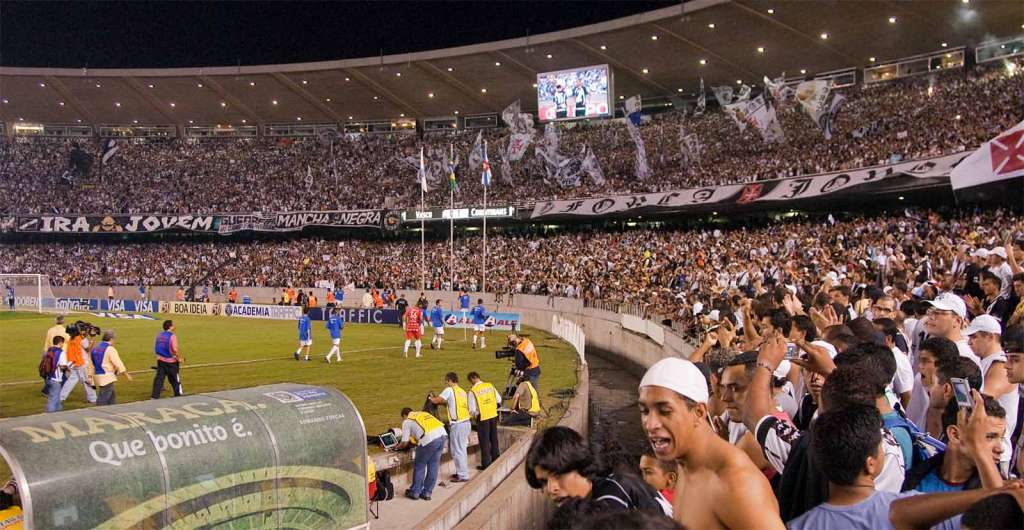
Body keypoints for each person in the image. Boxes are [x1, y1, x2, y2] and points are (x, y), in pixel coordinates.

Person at [638, 357, 782, 529]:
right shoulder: (685, 465)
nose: (651, 424)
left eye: (665, 411)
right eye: (645, 411)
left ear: (699, 412)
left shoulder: (735, 481)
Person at [525, 426, 671, 517]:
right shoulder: (604, 485)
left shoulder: (610, 501)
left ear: (580, 466)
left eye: (558, 475)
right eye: (543, 482)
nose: (551, 489)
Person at [965, 314, 1018, 467]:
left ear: (990, 337)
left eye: (974, 337)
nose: (969, 342)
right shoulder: (987, 361)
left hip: (996, 451)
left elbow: (983, 400)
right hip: (983, 446)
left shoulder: (1001, 365)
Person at [394, 407, 448, 501]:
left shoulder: (407, 421)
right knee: (433, 466)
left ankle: (415, 492)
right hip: (443, 436)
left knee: (419, 465)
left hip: (429, 439)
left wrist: (396, 447)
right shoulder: (423, 414)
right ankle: (427, 493)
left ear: (404, 416)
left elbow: (405, 442)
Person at [429, 372, 471, 482]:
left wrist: (431, 399)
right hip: (466, 423)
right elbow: (450, 403)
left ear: (449, 380)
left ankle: (463, 475)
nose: (445, 383)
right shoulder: (461, 391)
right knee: (462, 450)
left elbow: (438, 400)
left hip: (458, 425)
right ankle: (463, 472)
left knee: (458, 451)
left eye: (446, 381)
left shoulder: (449, 390)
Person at [468, 371, 501, 469]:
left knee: (484, 441)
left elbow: (472, 410)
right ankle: (496, 458)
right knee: (494, 438)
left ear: (472, 379)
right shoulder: (490, 385)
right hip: (493, 415)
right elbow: (499, 400)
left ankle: (486, 464)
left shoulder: (472, 391)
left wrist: (473, 417)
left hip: (482, 417)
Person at [89, 329, 132, 406]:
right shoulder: (110, 349)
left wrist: (90, 375)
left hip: (98, 375)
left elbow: (91, 363)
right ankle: (100, 412)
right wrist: (126, 374)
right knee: (103, 397)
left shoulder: (95, 347)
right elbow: (118, 363)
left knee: (111, 396)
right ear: (111, 339)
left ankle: (113, 409)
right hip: (107, 376)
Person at [58, 324, 97, 404]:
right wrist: (92, 338)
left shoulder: (71, 339)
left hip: (73, 363)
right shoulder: (81, 339)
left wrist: (86, 333)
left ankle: (61, 397)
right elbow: (88, 349)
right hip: (81, 363)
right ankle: (92, 399)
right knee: (88, 381)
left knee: (71, 381)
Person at [151, 320, 183, 399]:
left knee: (159, 379)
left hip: (161, 360)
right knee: (175, 379)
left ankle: (154, 396)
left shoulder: (159, 335)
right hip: (171, 362)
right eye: (173, 325)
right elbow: (174, 349)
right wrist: (179, 358)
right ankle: (178, 395)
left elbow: (156, 347)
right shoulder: (172, 336)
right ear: (170, 327)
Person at [43, 336, 68, 412]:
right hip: (56, 379)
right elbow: (62, 366)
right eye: (62, 343)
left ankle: (59, 413)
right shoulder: (61, 352)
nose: (63, 344)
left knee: (56, 398)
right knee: (53, 400)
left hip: (48, 377)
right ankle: (50, 417)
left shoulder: (50, 350)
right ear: (60, 343)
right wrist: (68, 368)